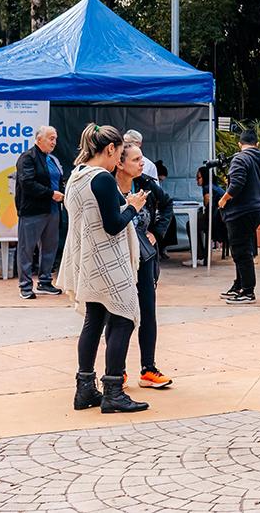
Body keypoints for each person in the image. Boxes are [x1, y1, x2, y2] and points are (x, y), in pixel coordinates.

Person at [55, 124, 149, 414]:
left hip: (87, 260)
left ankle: (84, 389)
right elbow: (112, 225)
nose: (117, 161)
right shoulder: (103, 179)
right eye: (118, 154)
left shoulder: (75, 176)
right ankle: (113, 392)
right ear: (110, 149)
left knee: (93, 321)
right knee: (122, 318)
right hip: (108, 263)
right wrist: (132, 206)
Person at [116, 142, 175, 391]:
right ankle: (116, 371)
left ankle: (148, 369)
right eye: (136, 159)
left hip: (145, 258)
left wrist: (156, 232)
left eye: (142, 159)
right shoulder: (108, 185)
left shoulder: (147, 184)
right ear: (120, 163)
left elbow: (168, 205)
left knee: (147, 312)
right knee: (119, 315)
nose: (142, 163)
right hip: (118, 260)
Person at [217, 129, 260, 303]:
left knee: (241, 251)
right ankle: (239, 284)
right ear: (257, 144)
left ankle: (248, 291)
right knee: (243, 248)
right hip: (256, 208)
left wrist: (224, 199)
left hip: (240, 211)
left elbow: (237, 183)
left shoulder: (240, 158)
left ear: (240, 144)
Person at [14, 125, 65, 300]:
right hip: (32, 212)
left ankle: (44, 282)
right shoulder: (27, 158)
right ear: (38, 139)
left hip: (52, 211)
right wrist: (51, 194)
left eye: (55, 138)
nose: (54, 142)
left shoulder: (52, 160)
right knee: (26, 250)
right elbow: (27, 183)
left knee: (50, 248)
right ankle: (25, 286)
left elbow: (58, 180)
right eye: (51, 138)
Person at [186, 166, 226, 265]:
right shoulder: (215, 186)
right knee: (196, 222)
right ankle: (200, 254)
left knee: (191, 224)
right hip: (222, 218)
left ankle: (199, 256)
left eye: (199, 177)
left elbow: (207, 206)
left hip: (216, 221)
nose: (196, 180)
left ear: (205, 177)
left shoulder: (207, 188)